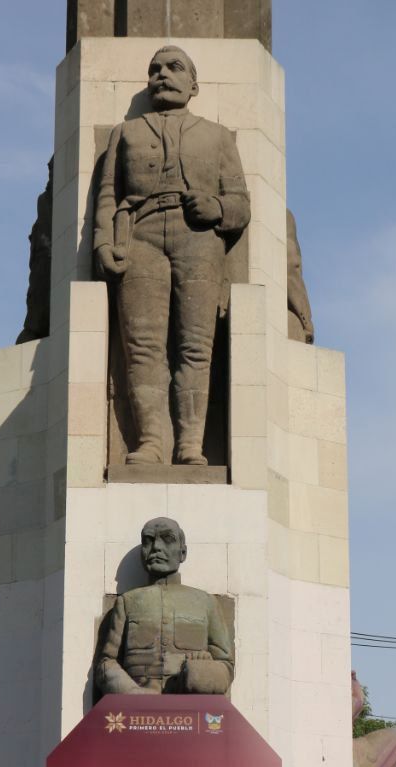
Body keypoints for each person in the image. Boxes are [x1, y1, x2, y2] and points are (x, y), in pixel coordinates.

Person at [94, 46, 251, 465]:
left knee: (195, 346)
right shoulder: (125, 133)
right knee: (142, 347)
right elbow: (107, 195)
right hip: (140, 234)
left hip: (197, 237)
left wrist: (217, 209)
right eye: (154, 69)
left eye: (173, 67)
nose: (161, 74)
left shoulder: (216, 136)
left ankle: (190, 445)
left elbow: (240, 202)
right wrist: (102, 243)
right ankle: (151, 442)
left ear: (194, 85)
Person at [95, 515, 234, 695]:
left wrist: (198, 672)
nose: (157, 548)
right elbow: (106, 663)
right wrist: (133, 693)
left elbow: (226, 666)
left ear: (182, 552)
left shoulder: (206, 603)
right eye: (148, 541)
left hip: (190, 708)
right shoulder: (128, 602)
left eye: (168, 539)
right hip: (137, 710)